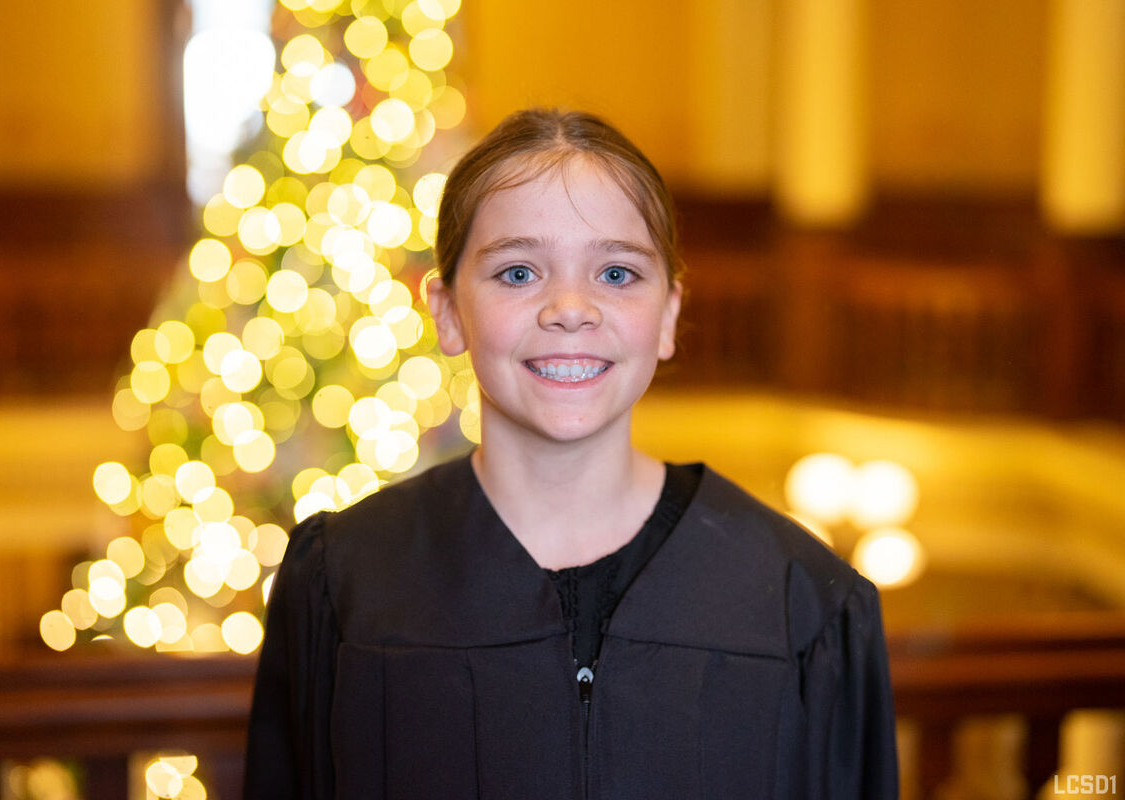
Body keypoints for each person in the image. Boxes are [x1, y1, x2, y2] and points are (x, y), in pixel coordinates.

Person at [244, 108, 899, 799]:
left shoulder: (801, 601)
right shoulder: (345, 580)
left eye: (616, 274)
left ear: (669, 315)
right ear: (446, 312)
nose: (570, 307)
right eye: (518, 272)